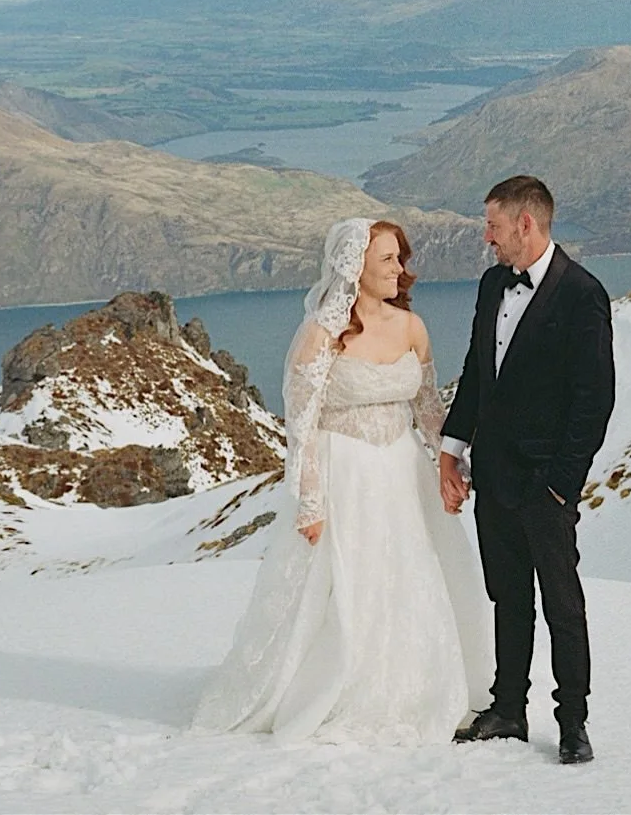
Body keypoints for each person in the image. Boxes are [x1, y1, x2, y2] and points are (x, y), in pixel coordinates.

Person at [194, 217, 492, 744]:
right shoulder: (319, 335)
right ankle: (334, 685)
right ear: (355, 268)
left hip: (403, 473)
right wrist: (310, 502)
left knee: (410, 579)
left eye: (400, 258)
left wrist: (450, 465)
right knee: (346, 588)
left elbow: (428, 411)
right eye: (387, 260)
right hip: (343, 473)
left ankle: (416, 686)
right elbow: (301, 425)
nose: (399, 269)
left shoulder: (412, 328)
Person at [441, 174, 614, 766]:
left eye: (492, 225)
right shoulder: (493, 284)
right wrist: (453, 449)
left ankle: (573, 724)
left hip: (546, 487)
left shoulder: (583, 294)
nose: (486, 237)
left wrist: (561, 484)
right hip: (493, 478)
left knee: (563, 607)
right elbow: (477, 372)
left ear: (525, 223)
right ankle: (508, 708)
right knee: (507, 599)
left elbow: (594, 402)